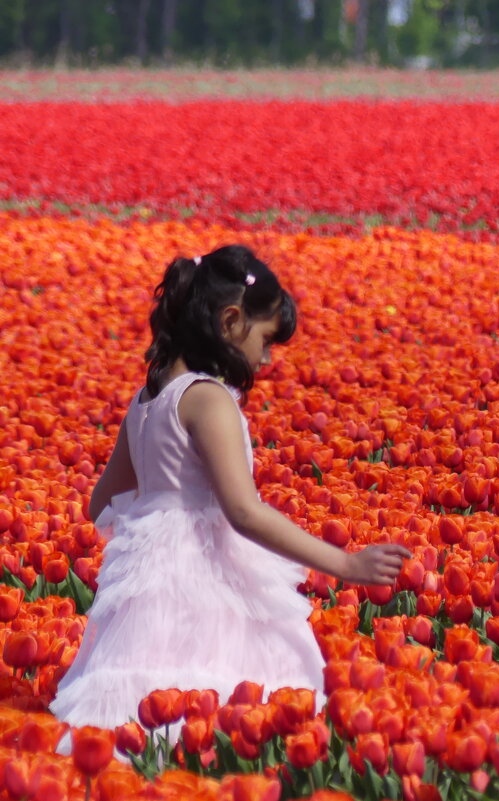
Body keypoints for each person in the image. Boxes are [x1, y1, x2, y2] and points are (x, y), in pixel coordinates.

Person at [49, 244, 411, 757]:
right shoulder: (206, 398)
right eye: (264, 340)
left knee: (144, 721)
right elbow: (242, 511)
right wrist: (346, 564)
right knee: (226, 705)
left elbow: (99, 502)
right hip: (209, 576)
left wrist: (157, 512)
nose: (265, 359)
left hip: (151, 587)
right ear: (230, 320)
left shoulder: (147, 401)